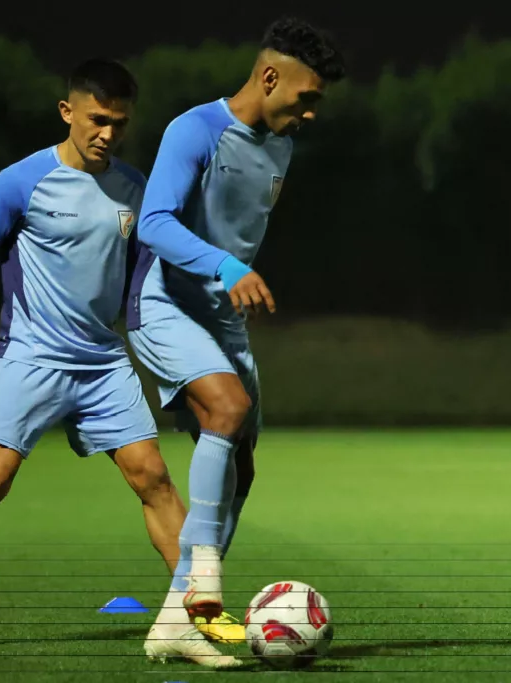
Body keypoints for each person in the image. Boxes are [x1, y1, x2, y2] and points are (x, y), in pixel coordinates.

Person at [0, 58, 236, 667]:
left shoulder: (137, 188)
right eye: (96, 120)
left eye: (119, 124)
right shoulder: (21, 181)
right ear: (68, 112)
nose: (107, 135)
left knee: (154, 478)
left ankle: (196, 613)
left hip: (103, 361)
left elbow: (146, 280)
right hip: (30, 357)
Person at [125, 17, 345, 662]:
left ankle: (171, 623)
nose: (309, 113)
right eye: (305, 97)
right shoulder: (193, 130)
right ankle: (203, 580)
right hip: (162, 303)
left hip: (222, 319)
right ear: (270, 77)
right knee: (229, 409)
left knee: (241, 470)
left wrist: (232, 285)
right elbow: (155, 224)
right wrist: (226, 268)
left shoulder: (281, 144)